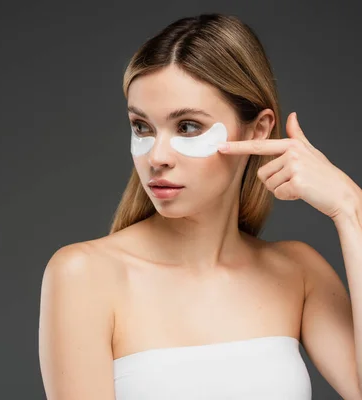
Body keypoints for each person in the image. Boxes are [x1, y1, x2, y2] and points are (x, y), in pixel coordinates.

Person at [38, 13, 362, 400]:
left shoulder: (298, 273)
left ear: (258, 129)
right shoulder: (84, 275)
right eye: (142, 127)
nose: (157, 156)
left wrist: (350, 207)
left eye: (188, 127)